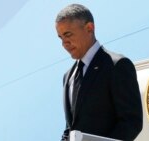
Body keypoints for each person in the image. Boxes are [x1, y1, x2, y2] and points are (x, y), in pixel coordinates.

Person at [55, 4, 143, 141]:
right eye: (60, 37)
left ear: (89, 28)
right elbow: (70, 130)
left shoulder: (117, 65)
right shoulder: (68, 77)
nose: (64, 43)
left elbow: (131, 122)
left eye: (68, 34)